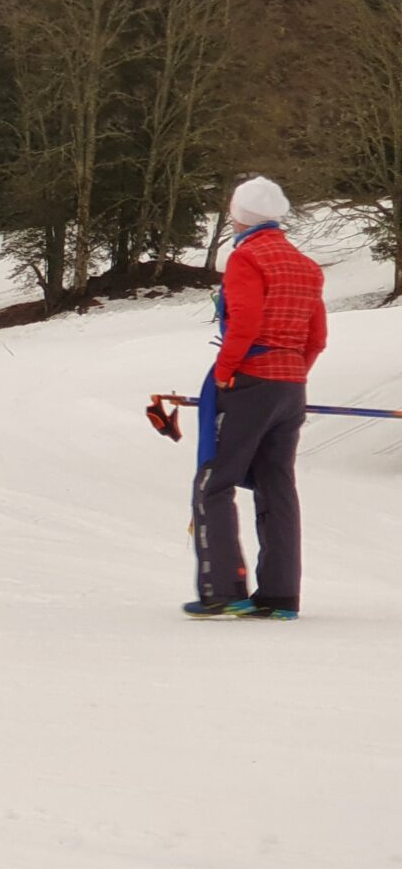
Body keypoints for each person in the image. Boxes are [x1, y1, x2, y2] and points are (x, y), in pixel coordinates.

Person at [185, 176, 326, 620]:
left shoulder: (246, 258)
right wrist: (292, 374)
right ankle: (282, 595)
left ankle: (223, 590)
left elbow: (244, 323)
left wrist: (226, 371)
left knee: (215, 482)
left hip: (249, 379)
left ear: (240, 216)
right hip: (291, 386)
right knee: (276, 485)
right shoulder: (305, 265)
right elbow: (317, 337)